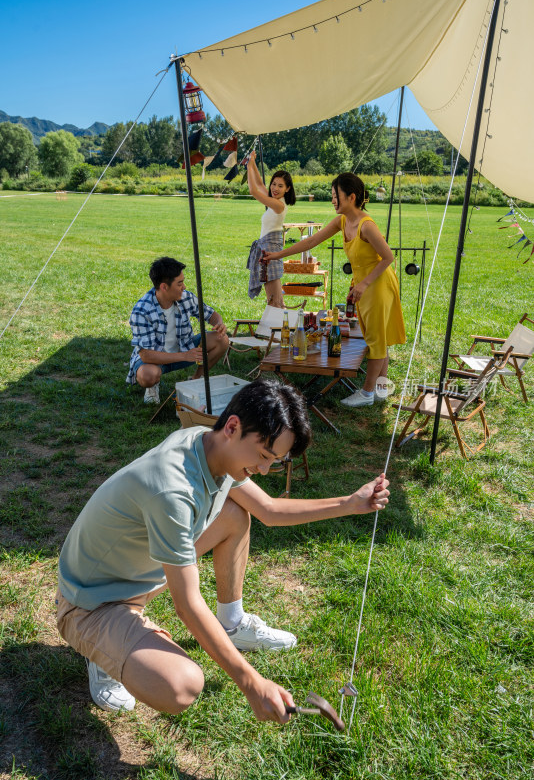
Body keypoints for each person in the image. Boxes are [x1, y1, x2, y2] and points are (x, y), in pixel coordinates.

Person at [56, 379, 390, 723]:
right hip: (91, 602)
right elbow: (187, 605)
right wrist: (253, 684)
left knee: (233, 515)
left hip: (134, 573)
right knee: (182, 685)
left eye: (273, 460)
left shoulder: (212, 445)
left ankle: (231, 622)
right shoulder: (172, 490)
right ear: (233, 426)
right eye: (263, 456)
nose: (264, 469)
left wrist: (349, 504)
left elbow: (270, 511)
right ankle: (103, 655)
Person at [264, 173, 406, 407]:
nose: (332, 200)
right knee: (376, 335)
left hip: (378, 284)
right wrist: (277, 255)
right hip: (365, 284)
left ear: (351, 197)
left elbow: (388, 257)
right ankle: (381, 386)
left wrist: (364, 283)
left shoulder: (366, 225)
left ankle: (368, 393)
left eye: (335, 196)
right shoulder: (342, 221)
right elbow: (311, 242)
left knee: (376, 339)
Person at [127, 257, 229, 405]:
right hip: (156, 358)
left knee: (222, 339)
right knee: (148, 375)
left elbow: (211, 314)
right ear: (164, 287)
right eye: (179, 283)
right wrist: (184, 355)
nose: (184, 287)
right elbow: (146, 355)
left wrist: (219, 323)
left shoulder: (186, 297)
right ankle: (152, 387)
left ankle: (194, 380)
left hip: (184, 349)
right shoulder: (142, 310)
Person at [246, 151, 296, 308]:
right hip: (267, 248)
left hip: (270, 250)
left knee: (274, 300)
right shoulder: (274, 201)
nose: (275, 188)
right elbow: (260, 185)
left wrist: (247, 166)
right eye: (274, 184)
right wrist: (252, 161)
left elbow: (253, 191)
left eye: (280, 186)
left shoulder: (279, 205)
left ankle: (278, 329)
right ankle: (279, 328)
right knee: (275, 299)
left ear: (287, 189)